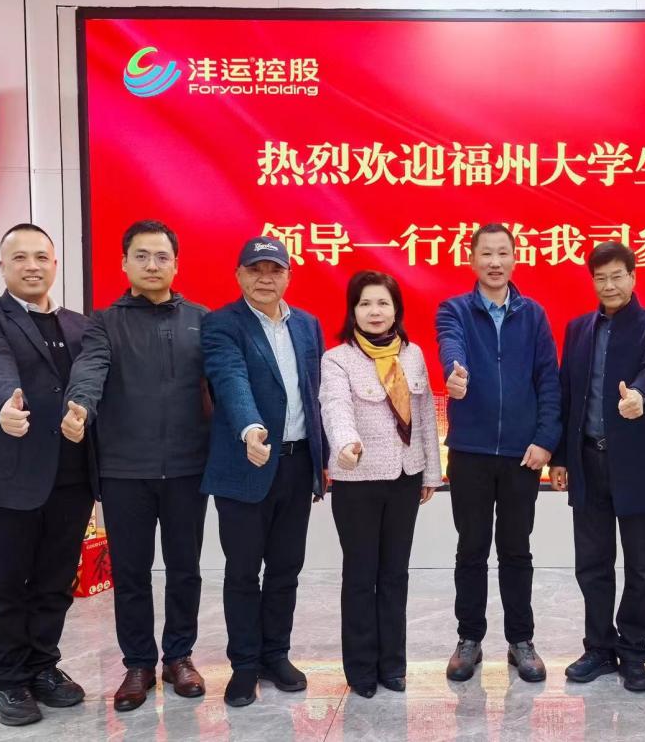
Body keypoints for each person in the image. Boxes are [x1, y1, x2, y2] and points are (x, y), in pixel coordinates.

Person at [61, 220, 210, 711]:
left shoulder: (201, 320)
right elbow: (90, 369)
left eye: (162, 256)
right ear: (124, 263)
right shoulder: (104, 323)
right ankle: (139, 664)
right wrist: (79, 406)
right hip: (124, 470)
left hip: (188, 467)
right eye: (141, 256)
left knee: (185, 569)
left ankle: (180, 657)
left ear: (176, 264)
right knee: (130, 573)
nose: (152, 265)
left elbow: (224, 382)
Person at [0, 223, 96, 727]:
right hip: (6, 478)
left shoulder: (82, 326)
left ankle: (42, 667)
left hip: (71, 478)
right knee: (3, 584)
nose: (32, 266)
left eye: (41, 256)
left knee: (54, 583)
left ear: (55, 264)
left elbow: (94, 382)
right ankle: (8, 682)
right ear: (2, 266)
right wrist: (4, 404)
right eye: (20, 257)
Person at [200, 236, 328, 708]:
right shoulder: (222, 324)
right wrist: (251, 428)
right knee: (242, 571)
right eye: (255, 270)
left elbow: (315, 393)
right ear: (239, 275)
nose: (265, 279)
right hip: (245, 465)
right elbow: (229, 379)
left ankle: (276, 654)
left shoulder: (308, 326)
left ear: (288, 276)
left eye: (275, 270)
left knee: (286, 568)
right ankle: (244, 664)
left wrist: (324, 457)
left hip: (297, 464)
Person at [435, 223, 561, 683]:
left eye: (502, 253)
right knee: (470, 548)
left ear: (514, 258)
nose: (494, 262)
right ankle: (469, 639)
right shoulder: (454, 309)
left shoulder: (534, 315)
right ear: (471, 259)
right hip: (469, 452)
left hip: (521, 455)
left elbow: (548, 379)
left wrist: (545, 440)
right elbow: (451, 343)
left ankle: (521, 641)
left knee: (516, 550)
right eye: (486, 253)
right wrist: (455, 371)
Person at [549, 242, 645, 692]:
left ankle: (635, 653)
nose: (609, 285)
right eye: (600, 278)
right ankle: (599, 648)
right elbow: (566, 393)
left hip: (636, 465)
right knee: (592, 563)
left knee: (640, 566)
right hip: (587, 460)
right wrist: (560, 457)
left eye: (617, 276)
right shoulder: (577, 329)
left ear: (633, 277)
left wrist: (640, 395)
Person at [319, 271, 443, 699]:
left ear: (396, 310)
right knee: (360, 575)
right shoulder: (337, 359)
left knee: (394, 574)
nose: (375, 311)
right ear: (352, 310)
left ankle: (392, 664)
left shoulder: (413, 354)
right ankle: (360, 670)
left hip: (405, 479)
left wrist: (430, 472)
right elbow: (335, 407)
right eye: (365, 303)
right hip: (357, 480)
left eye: (383, 303)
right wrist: (345, 445)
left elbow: (424, 417)